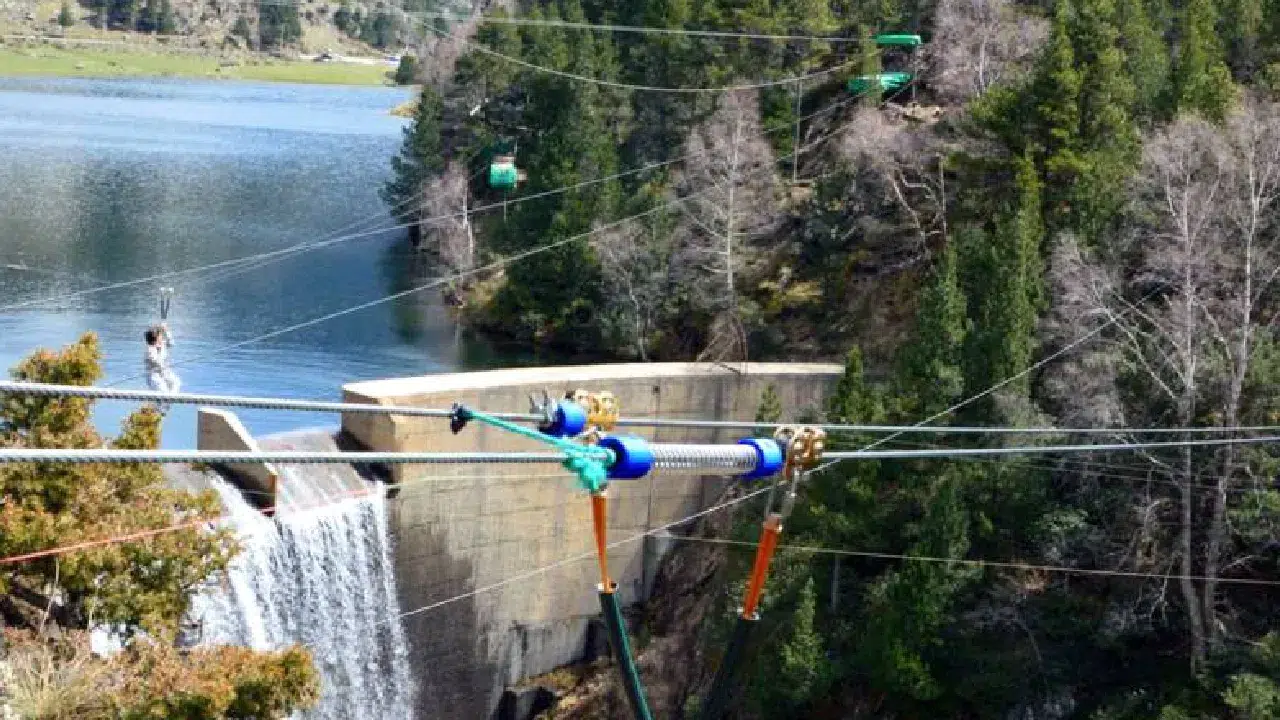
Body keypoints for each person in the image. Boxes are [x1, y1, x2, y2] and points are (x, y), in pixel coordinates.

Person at [144, 323, 180, 413]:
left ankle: (166, 405)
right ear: (155, 338)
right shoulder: (149, 350)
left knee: (176, 383)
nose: (161, 337)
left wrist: (166, 330)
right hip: (154, 375)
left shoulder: (162, 344)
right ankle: (159, 410)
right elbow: (156, 361)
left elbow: (171, 343)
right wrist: (163, 366)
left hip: (165, 372)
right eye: (160, 336)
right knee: (163, 391)